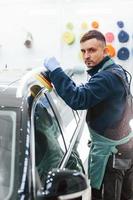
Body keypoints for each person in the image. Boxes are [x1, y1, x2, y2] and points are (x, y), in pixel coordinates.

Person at [42, 30, 133, 200]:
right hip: (124, 149)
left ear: (105, 51)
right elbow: (92, 92)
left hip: (111, 157)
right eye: (83, 51)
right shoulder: (115, 70)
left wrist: (57, 72)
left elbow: (78, 99)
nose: (86, 55)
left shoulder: (106, 78)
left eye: (92, 50)